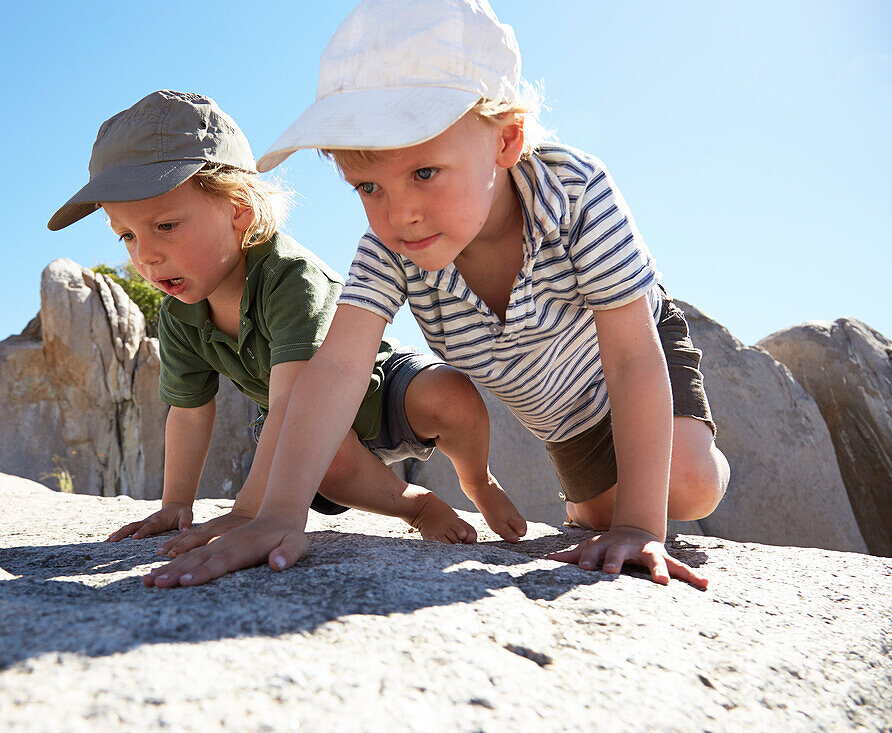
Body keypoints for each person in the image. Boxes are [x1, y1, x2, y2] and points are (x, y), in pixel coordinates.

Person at [145, 0, 729, 590]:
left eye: (424, 173)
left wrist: (640, 526)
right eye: (368, 186)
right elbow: (339, 368)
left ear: (505, 142)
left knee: (688, 485)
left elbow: (630, 357)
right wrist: (277, 514)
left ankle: (641, 492)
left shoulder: (576, 193)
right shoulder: (389, 249)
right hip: (555, 411)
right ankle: (594, 506)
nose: (401, 215)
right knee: (595, 525)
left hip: (625, 360)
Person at [48, 89, 527, 562]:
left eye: (166, 226)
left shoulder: (289, 277)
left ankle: (476, 479)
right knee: (318, 459)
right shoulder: (179, 315)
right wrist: (176, 504)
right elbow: (190, 412)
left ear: (240, 209)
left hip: (382, 390)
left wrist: (249, 512)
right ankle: (418, 508)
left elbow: (293, 401)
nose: (145, 254)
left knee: (451, 395)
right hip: (312, 428)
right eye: (127, 236)